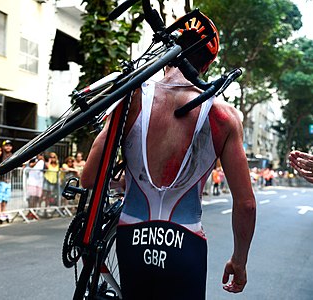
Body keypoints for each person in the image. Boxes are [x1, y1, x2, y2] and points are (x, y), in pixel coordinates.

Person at [81, 12, 256, 299]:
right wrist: (239, 260)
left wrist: (129, 179)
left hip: (132, 238)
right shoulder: (223, 117)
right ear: (208, 62)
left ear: (168, 51)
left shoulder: (131, 98)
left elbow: (90, 178)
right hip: (185, 243)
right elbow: (246, 204)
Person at [0, 140, 13, 222]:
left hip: (9, 180)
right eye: (6, 145)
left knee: (5, 198)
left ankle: (4, 212)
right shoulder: (1, 154)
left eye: (9, 145)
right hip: (1, 180)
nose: (8, 147)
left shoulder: (13, 155)